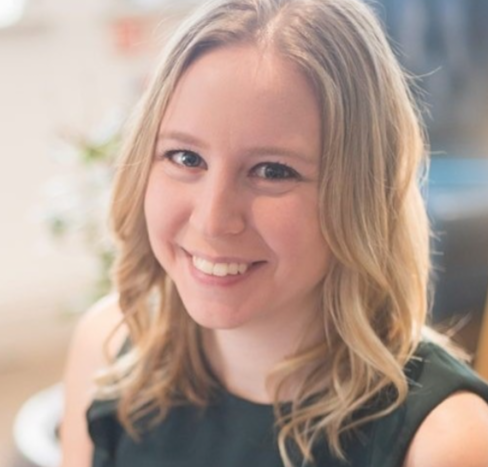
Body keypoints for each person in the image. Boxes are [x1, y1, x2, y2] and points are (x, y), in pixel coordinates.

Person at [60, 1, 488, 466]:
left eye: (272, 170)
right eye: (185, 158)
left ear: (361, 194)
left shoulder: (445, 442)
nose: (212, 219)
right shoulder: (110, 351)